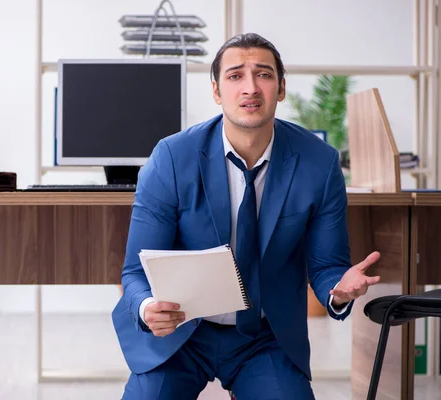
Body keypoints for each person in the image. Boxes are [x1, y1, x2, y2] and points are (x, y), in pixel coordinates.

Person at [111, 32, 381, 400]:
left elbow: (327, 265)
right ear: (216, 91)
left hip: (263, 336)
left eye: (264, 75)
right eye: (236, 75)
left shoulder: (319, 163)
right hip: (182, 332)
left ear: (281, 88)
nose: (250, 88)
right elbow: (135, 272)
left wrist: (337, 292)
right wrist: (147, 308)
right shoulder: (172, 158)